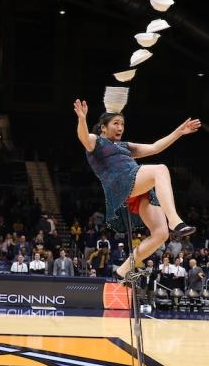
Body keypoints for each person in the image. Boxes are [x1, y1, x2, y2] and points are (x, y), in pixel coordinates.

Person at [74, 98, 200, 284]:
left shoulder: (125, 146)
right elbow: (84, 137)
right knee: (160, 169)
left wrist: (179, 132)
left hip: (138, 185)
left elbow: (155, 147)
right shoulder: (96, 141)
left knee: (161, 234)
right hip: (120, 182)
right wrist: (82, 118)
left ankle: (123, 270)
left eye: (122, 124)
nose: (120, 127)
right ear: (103, 128)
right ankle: (174, 220)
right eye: (116, 123)